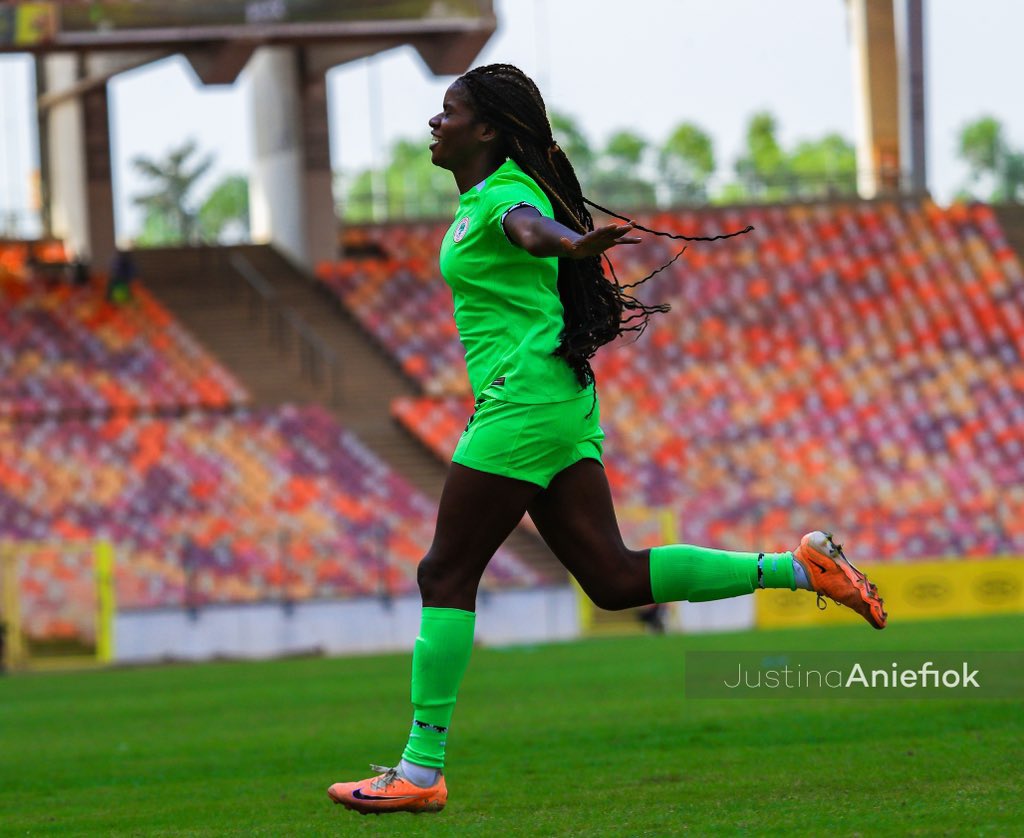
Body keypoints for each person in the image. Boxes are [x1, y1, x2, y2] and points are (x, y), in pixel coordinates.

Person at [327, 64, 886, 816]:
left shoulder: (506, 196)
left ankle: (420, 771)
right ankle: (798, 567)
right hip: (555, 399)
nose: (436, 121)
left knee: (445, 574)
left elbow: (531, 232)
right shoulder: (480, 201)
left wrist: (573, 245)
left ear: (486, 129)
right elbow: (527, 235)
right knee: (614, 579)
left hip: (521, 404)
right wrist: (569, 245)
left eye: (448, 110)